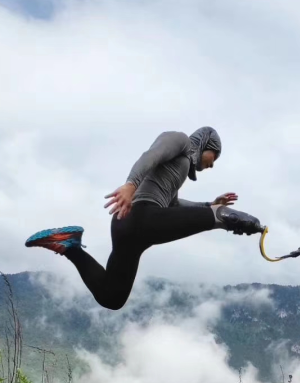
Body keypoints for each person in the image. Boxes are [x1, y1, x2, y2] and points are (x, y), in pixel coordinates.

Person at [25, 127, 264, 310]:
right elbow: (151, 155)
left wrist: (207, 205)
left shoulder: (176, 175)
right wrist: (131, 184)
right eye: (215, 156)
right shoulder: (180, 140)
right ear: (206, 142)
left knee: (112, 297)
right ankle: (222, 218)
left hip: (131, 230)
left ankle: (70, 246)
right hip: (140, 216)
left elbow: (175, 206)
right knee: (215, 218)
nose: (212, 165)